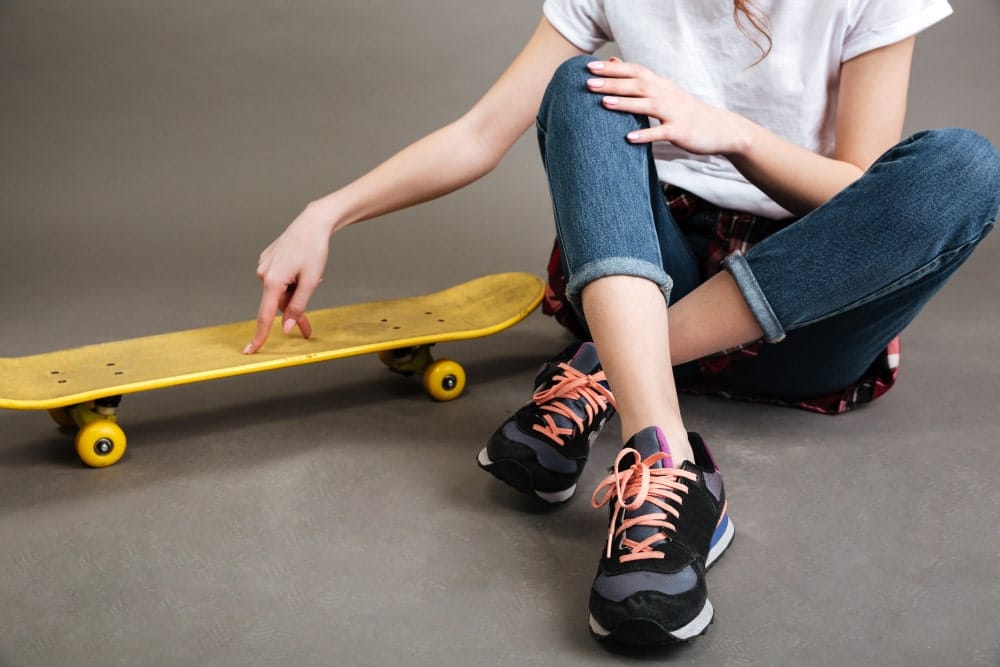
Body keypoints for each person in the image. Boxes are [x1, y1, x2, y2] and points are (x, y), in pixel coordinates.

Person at [246, 0, 999, 647]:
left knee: (964, 168)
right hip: (641, 272)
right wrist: (326, 213)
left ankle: (606, 366)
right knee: (579, 86)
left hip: (803, 309)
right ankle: (666, 459)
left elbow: (856, 197)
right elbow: (481, 133)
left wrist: (731, 133)